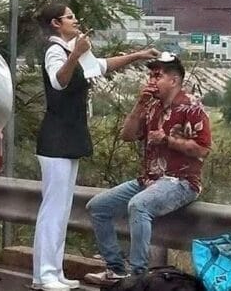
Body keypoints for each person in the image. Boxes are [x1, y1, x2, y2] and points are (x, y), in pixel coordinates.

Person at [31, 3, 159, 291]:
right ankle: (45, 274)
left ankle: (52, 271)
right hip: (55, 139)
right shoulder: (55, 50)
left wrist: (137, 55)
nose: (76, 20)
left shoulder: (72, 48)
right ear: (55, 23)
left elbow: (100, 65)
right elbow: (59, 81)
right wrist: (75, 54)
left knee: (62, 209)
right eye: (70, 17)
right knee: (53, 209)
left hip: (70, 136)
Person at [84, 52, 212, 285]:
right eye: (150, 76)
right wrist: (139, 104)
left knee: (139, 205)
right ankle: (116, 269)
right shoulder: (152, 106)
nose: (152, 81)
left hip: (181, 181)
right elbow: (127, 135)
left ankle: (137, 275)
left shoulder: (191, 107)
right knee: (98, 207)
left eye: (157, 76)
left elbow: (203, 149)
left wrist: (168, 140)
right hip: (149, 179)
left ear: (173, 80)